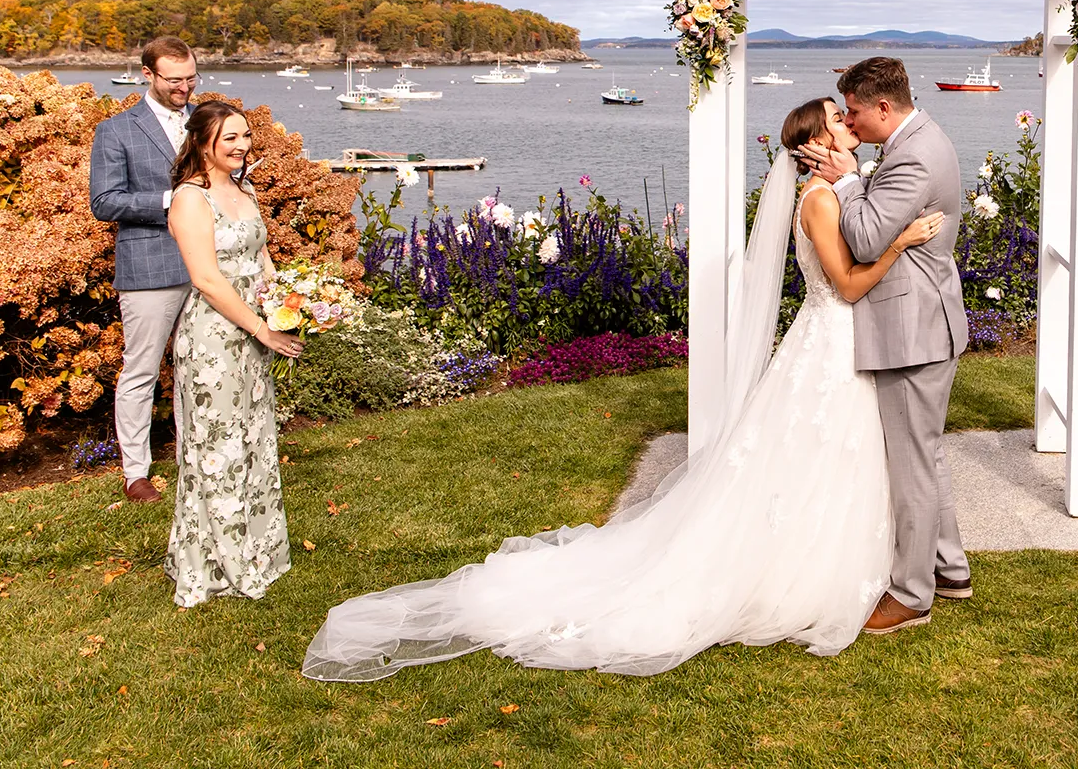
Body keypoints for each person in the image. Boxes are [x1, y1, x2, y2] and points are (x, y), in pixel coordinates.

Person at [301, 97, 942, 679]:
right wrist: (903, 242)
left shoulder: (832, 191)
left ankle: (855, 559)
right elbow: (851, 285)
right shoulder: (822, 199)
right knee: (819, 454)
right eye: (837, 118)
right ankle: (808, 570)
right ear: (814, 142)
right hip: (831, 341)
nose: (849, 122)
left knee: (827, 458)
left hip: (834, 344)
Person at [796, 56, 972, 635]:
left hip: (912, 329)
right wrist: (860, 179)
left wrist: (847, 180)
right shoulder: (916, 140)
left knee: (911, 466)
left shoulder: (914, 153)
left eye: (852, 111)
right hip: (922, 321)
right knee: (926, 455)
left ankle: (911, 595)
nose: (849, 122)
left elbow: (869, 238)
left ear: (882, 108)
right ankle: (949, 570)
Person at [164, 101, 302, 607]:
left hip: (255, 329)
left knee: (253, 438)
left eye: (246, 136)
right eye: (230, 139)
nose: (242, 146)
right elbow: (205, 278)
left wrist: (294, 302)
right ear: (204, 144)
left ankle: (260, 550)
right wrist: (261, 329)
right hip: (214, 339)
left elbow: (261, 258)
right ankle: (216, 563)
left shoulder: (244, 189)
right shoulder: (189, 199)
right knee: (216, 446)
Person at [88, 36, 198, 502]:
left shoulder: (206, 120)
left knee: (199, 367)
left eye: (191, 78)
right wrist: (169, 201)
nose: (185, 88)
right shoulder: (115, 130)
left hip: (208, 265)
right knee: (142, 371)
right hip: (149, 264)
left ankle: (198, 459)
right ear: (147, 75)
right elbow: (104, 202)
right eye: (175, 80)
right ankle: (136, 472)